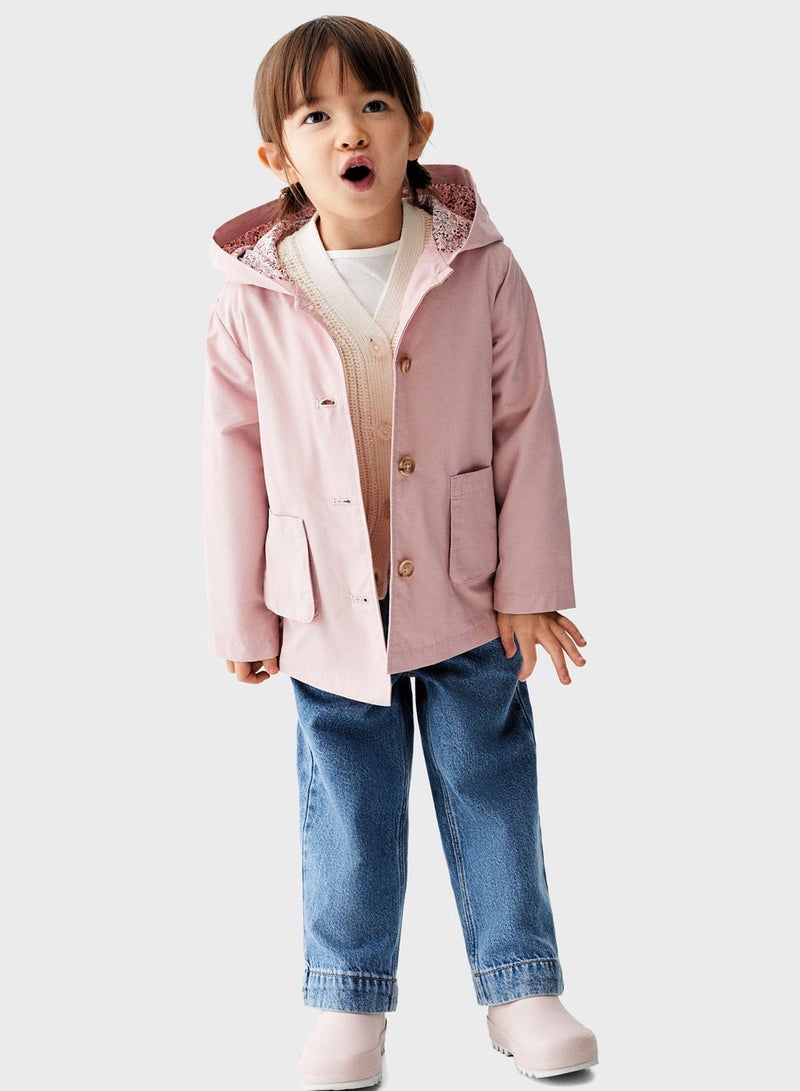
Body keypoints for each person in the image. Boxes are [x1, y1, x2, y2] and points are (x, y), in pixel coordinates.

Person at [203, 14, 598, 1088]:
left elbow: (525, 423)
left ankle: (520, 985)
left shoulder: (480, 267)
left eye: (373, 105)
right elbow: (232, 459)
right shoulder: (253, 295)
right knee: (347, 806)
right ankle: (347, 1002)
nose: (350, 132)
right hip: (326, 600)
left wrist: (529, 585)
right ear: (277, 157)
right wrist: (243, 615)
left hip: (466, 584)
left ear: (417, 131)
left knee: (490, 783)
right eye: (316, 116)